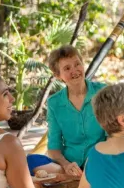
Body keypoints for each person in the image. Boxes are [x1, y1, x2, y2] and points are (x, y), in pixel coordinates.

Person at [39, 45, 107, 176]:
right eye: (67, 68)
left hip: (101, 161)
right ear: (58, 75)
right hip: (71, 164)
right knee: (31, 162)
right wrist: (66, 165)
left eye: (77, 64)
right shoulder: (54, 103)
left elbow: (113, 136)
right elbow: (54, 147)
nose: (75, 70)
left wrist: (97, 162)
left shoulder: (102, 92)